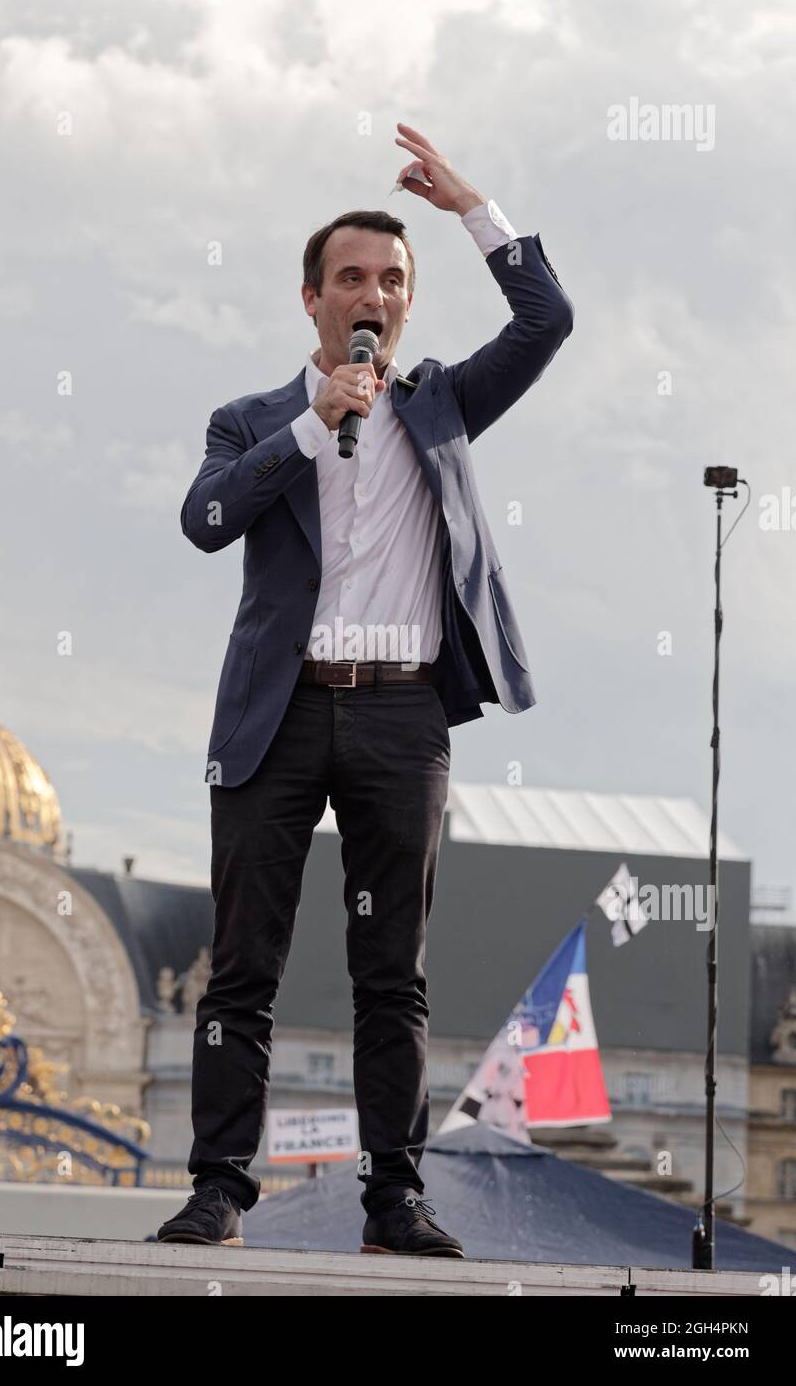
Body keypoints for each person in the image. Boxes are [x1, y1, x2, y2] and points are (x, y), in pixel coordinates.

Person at [157, 123, 573, 1257]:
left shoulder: (441, 405)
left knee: (391, 972)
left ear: (407, 302)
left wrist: (470, 208)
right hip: (276, 713)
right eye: (351, 277)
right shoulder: (252, 418)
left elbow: (547, 322)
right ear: (311, 298)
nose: (373, 294)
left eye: (391, 281)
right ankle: (218, 1191)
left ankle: (393, 1198)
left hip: (399, 713)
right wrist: (313, 420)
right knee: (242, 964)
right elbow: (203, 521)